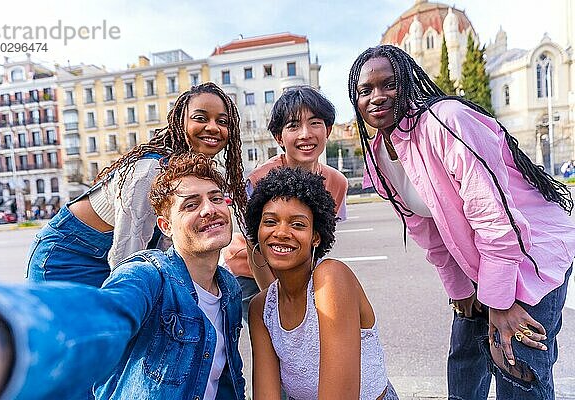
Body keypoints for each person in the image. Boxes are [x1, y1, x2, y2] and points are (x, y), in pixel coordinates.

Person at [348, 44, 575, 398]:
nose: (377, 97)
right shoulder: (380, 154)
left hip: (532, 254)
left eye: (389, 84)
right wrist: (461, 291)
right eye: (366, 90)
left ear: (408, 83)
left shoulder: (446, 121)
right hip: (482, 264)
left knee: (517, 369)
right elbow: (428, 231)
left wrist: (499, 304)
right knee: (465, 359)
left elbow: (495, 217)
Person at [0, 153, 245, 400]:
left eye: (216, 197)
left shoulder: (229, 288)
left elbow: (227, 378)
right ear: (165, 227)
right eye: (191, 204)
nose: (209, 209)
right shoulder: (149, 276)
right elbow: (104, 314)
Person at [26, 82, 246, 287]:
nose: (213, 127)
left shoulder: (188, 171)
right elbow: (126, 254)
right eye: (200, 118)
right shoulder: (151, 169)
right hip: (68, 256)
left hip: (107, 255)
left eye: (222, 121)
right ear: (180, 122)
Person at [245, 167, 396, 400]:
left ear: (316, 236)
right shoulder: (261, 308)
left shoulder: (330, 278)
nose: (281, 232)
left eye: (297, 224)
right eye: (270, 221)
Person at [224, 86, 348, 322]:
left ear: (328, 130)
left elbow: (320, 242)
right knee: (272, 336)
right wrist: (276, 299)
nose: (305, 134)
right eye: (293, 126)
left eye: (315, 123)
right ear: (279, 137)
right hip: (251, 272)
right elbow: (255, 250)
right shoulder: (259, 181)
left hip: (296, 272)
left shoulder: (337, 182)